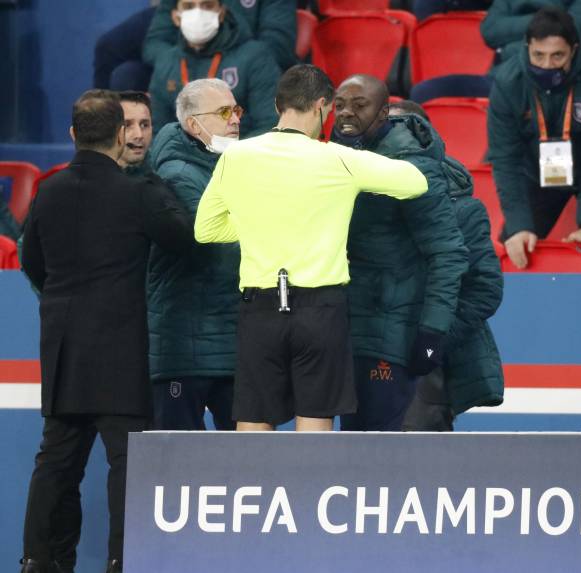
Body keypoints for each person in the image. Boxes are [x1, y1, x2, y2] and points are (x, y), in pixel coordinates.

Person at [194, 64, 431, 432]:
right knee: (314, 434)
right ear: (323, 106)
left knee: (253, 427)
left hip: (259, 308)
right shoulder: (338, 159)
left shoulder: (236, 157)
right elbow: (415, 182)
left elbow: (205, 230)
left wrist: (262, 223)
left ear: (277, 105)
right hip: (321, 310)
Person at [18, 90, 192, 573]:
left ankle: (37, 558)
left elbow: (31, 261)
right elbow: (184, 241)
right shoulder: (137, 193)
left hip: (63, 349)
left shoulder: (47, 191)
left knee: (55, 461)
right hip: (119, 349)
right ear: (121, 134)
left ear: (73, 136)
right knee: (127, 465)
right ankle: (122, 560)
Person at [330, 75, 469, 432]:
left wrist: (432, 333)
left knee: (379, 455)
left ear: (383, 113)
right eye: (340, 104)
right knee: (348, 449)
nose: (346, 113)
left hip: (390, 333)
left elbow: (447, 253)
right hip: (345, 327)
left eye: (359, 105)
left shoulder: (411, 164)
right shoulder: (336, 155)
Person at [389, 100, 504, 432]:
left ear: (427, 141)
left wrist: (432, 342)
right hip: (370, 356)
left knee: (419, 472)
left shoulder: (463, 209)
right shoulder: (360, 201)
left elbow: (484, 289)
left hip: (425, 370)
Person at [487, 7, 581, 270]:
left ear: (574, 50)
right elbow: (506, 160)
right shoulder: (508, 82)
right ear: (527, 47)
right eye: (538, 55)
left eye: (557, 56)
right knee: (515, 244)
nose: (546, 65)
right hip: (540, 166)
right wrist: (519, 226)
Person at [147, 78, 243, 431]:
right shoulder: (179, 173)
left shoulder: (226, 164)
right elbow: (215, 246)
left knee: (243, 464)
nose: (235, 119)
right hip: (186, 346)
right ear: (193, 125)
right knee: (177, 463)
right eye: (223, 112)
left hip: (224, 338)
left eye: (236, 110)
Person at [148, 0, 281, 137]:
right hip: (184, 156)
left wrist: (232, 154)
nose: (198, 13)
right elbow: (157, 131)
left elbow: (269, 124)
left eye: (208, 5)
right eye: (189, 6)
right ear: (176, 17)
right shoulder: (166, 61)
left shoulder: (256, 56)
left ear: (221, 13)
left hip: (238, 152)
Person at [144, 0, 298, 72]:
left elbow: (278, 47)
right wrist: (188, 61)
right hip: (187, 62)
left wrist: (226, 64)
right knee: (128, 73)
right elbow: (154, 44)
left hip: (242, 67)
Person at [481, 0, 581, 64]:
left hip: (571, 84)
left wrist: (507, 51)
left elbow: (575, 34)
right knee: (460, 88)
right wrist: (551, 20)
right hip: (506, 78)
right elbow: (490, 30)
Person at [118, 91, 155, 176]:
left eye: (144, 125)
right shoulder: (90, 177)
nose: (139, 135)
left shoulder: (166, 178)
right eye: (127, 125)